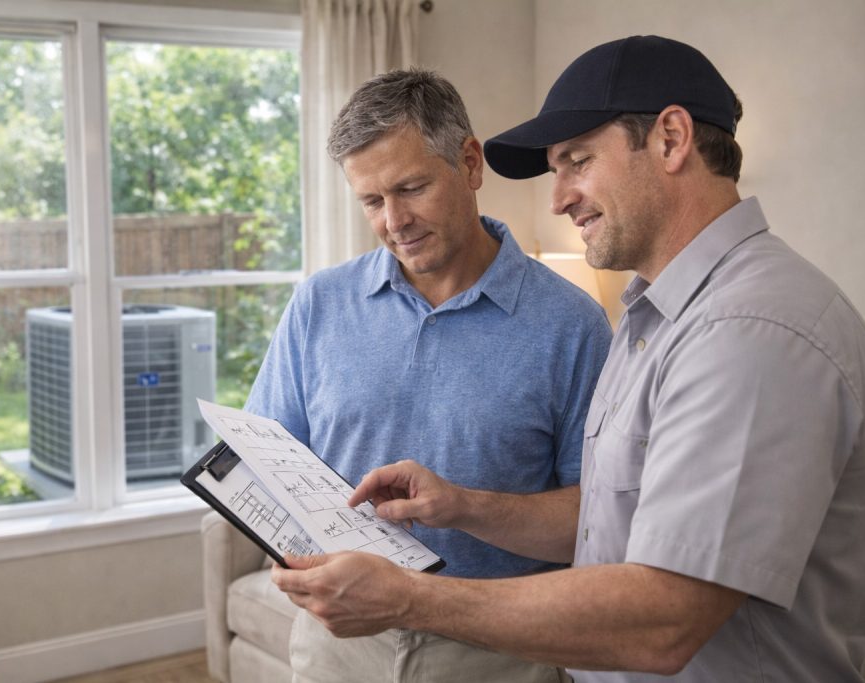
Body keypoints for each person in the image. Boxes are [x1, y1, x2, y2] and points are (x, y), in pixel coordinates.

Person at [271, 35, 865, 682]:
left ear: (671, 138)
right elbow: (601, 525)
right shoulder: (657, 317)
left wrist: (410, 596)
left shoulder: (750, 332)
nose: (557, 199)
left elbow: (667, 617)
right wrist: (459, 505)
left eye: (576, 161)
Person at [245, 68, 612, 682]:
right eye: (370, 200)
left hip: (498, 651)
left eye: (411, 188)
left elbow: (596, 524)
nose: (394, 221)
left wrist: (466, 506)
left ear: (470, 164)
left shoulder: (573, 326)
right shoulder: (318, 304)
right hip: (338, 646)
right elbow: (265, 463)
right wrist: (290, 552)